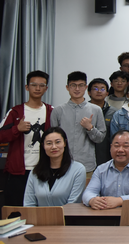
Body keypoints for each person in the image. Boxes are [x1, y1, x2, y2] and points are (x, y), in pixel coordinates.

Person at [0, 70, 53, 206]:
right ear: (27, 87)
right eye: (34, 85)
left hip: (44, 169)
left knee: (42, 209)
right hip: (18, 171)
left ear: (46, 88)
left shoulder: (51, 111)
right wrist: (16, 129)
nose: (37, 88)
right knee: (16, 209)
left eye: (41, 85)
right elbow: (1, 136)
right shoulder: (15, 112)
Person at [51, 71, 106, 175]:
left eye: (81, 85)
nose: (77, 89)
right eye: (73, 85)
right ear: (67, 87)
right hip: (61, 164)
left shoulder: (96, 110)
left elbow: (100, 138)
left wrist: (90, 128)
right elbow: (52, 139)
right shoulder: (58, 111)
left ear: (86, 87)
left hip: (87, 165)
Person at [83, 130, 129, 209]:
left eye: (125, 146)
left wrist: (120, 200)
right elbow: (89, 192)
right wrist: (92, 200)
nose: (120, 150)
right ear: (111, 147)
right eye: (116, 146)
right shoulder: (101, 169)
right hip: (106, 213)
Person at [24, 127, 86, 206]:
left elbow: (73, 204)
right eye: (49, 143)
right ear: (43, 145)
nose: (54, 147)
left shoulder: (78, 170)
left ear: (65, 143)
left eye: (58, 142)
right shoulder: (35, 172)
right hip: (38, 214)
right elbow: (29, 204)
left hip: (67, 214)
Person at [88, 78, 117, 167]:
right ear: (89, 92)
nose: (99, 91)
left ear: (107, 93)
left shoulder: (114, 112)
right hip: (87, 154)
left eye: (102, 89)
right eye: (95, 88)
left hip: (106, 155)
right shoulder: (83, 110)